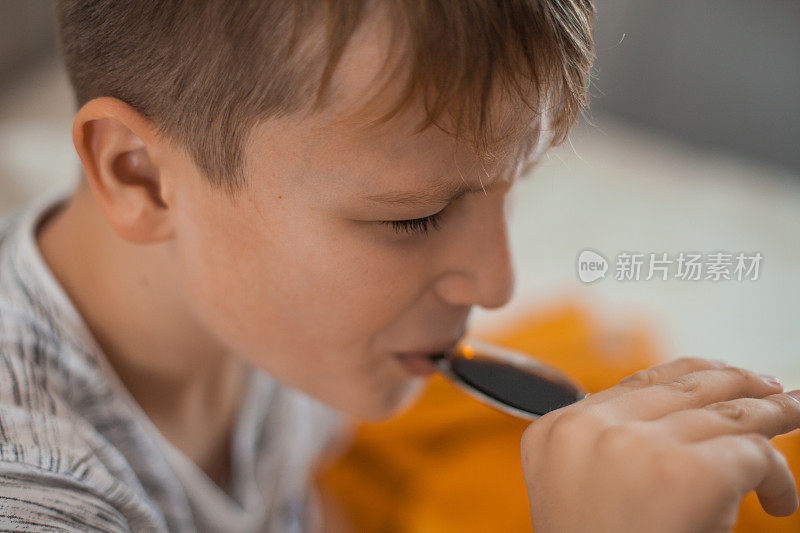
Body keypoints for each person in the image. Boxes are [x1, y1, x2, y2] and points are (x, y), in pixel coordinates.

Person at [0, 1, 797, 531]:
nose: (497, 285)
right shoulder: (38, 497)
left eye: (511, 185)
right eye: (413, 215)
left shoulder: (265, 323)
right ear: (139, 175)